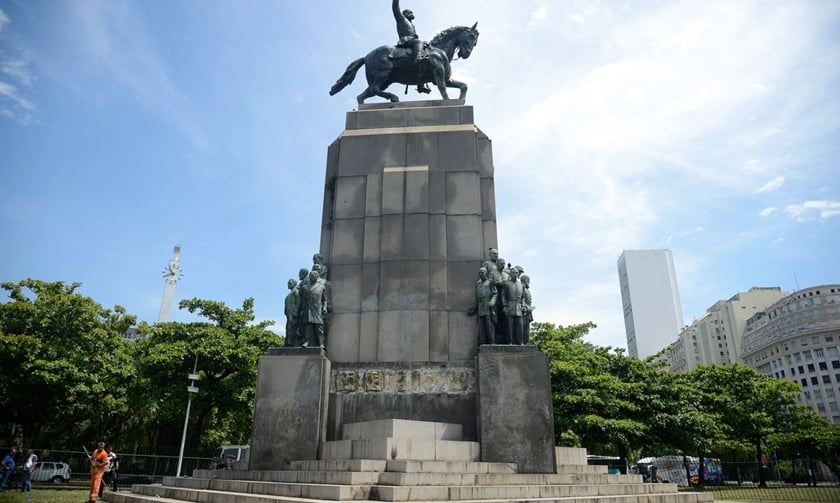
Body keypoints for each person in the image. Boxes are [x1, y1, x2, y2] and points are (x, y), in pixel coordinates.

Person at [392, 0, 430, 93]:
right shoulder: (401, 19)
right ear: (405, 14)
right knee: (419, 42)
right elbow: (395, 8)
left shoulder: (412, 25)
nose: (412, 14)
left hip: (412, 42)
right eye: (410, 13)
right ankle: (417, 58)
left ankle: (420, 84)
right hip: (406, 41)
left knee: (425, 49)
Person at [299, 269, 329, 347]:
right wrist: (302, 309)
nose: (311, 277)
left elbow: (325, 299)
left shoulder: (322, 287)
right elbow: (303, 300)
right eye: (310, 276)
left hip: (317, 309)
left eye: (313, 276)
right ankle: (306, 342)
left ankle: (321, 343)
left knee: (319, 327)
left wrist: (324, 308)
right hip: (307, 309)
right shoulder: (305, 287)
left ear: (317, 277)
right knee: (307, 327)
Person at [468, 267, 497, 345]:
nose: (480, 274)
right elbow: (477, 297)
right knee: (481, 326)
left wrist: (492, 302)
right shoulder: (478, 284)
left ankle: (492, 342)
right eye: (479, 273)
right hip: (481, 306)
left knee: (489, 325)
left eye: (482, 272)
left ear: (486, 273)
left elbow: (495, 293)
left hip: (488, 306)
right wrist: (474, 307)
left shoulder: (490, 282)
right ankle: (482, 343)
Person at [500, 267, 525, 345]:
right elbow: (503, 296)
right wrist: (504, 306)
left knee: (520, 326)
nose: (515, 274)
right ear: (510, 274)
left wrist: (523, 305)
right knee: (509, 327)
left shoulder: (520, 285)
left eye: (516, 273)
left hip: (519, 307)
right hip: (509, 306)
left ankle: (520, 341)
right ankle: (510, 341)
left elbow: (523, 297)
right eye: (513, 273)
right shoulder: (507, 284)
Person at [284, 278, 300, 347]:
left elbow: (298, 302)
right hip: (289, 314)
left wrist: (296, 312)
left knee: (292, 328)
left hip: (293, 313)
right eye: (288, 283)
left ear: (294, 283)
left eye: (290, 283)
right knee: (288, 328)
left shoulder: (296, 291)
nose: (288, 284)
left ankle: (292, 343)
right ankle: (288, 342)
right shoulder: (290, 292)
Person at [521, 273, 534, 344]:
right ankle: (523, 342)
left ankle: (525, 342)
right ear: (525, 280)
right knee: (524, 329)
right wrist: (527, 307)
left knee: (526, 329)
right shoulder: (522, 288)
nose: (529, 282)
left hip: (528, 313)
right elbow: (521, 300)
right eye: (528, 280)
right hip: (524, 312)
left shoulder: (526, 289)